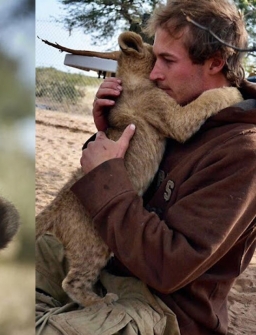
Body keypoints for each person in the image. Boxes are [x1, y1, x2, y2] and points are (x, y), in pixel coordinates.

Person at [36, 0, 256, 334]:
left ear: (215, 62)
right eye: (155, 58)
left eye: (167, 60)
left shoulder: (242, 152)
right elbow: (136, 179)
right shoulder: (178, 106)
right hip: (114, 266)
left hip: (164, 306)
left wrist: (105, 177)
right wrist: (109, 128)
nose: (154, 72)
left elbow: (168, 267)